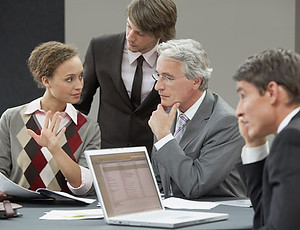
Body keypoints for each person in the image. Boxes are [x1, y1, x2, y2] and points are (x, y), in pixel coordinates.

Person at [0, 41, 101, 201]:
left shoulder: (88, 128)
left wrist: (55, 148)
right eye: (69, 79)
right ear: (46, 81)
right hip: (21, 215)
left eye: (80, 76)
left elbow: (83, 187)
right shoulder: (12, 119)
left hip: (67, 217)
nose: (79, 86)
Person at [74, 0, 177, 154]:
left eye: (140, 33)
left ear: (159, 34)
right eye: (129, 26)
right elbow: (80, 103)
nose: (130, 36)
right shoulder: (100, 48)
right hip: (107, 151)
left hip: (155, 155)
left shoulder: (175, 58)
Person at [148, 39, 246, 199]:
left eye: (167, 78)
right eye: (158, 75)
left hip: (217, 219)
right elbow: (160, 181)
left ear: (196, 81)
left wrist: (164, 136)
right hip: (173, 216)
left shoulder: (228, 123)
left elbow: (196, 185)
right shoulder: (166, 115)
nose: (157, 86)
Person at [234, 48, 300, 229]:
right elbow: (268, 216)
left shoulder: (291, 140)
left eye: (243, 95)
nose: (239, 110)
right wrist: (254, 145)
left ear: (272, 92)